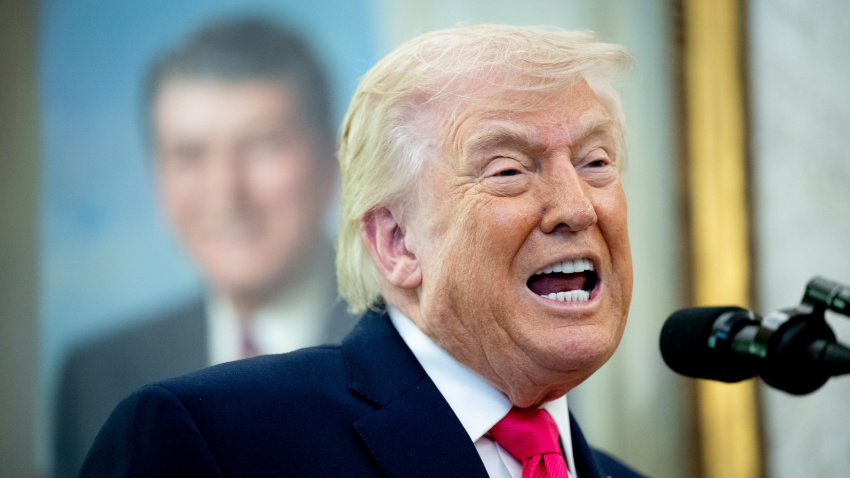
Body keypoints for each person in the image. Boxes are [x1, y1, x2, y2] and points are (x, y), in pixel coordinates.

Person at [80, 24, 645, 477]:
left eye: (595, 162)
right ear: (397, 241)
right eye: (508, 170)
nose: (578, 207)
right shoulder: (213, 440)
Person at [54, 18, 355, 477]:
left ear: (330, 163)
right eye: (189, 154)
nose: (224, 192)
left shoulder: (412, 348)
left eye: (261, 144)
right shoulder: (96, 374)